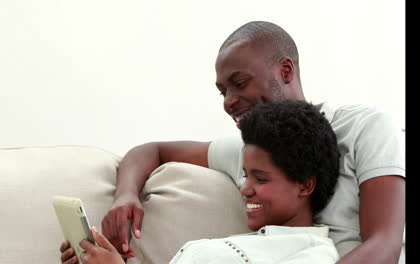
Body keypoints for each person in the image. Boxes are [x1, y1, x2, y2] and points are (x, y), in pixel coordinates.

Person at [102, 21, 405, 264]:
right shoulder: (249, 152)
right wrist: (125, 195)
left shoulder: (365, 126)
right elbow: (152, 151)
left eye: (240, 83)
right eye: (223, 91)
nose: (229, 102)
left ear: (285, 71)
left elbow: (385, 245)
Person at [60, 100, 342, 264]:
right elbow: (152, 149)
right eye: (246, 175)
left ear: (305, 185)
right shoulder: (255, 244)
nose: (245, 188)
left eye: (261, 178)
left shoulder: (313, 256)